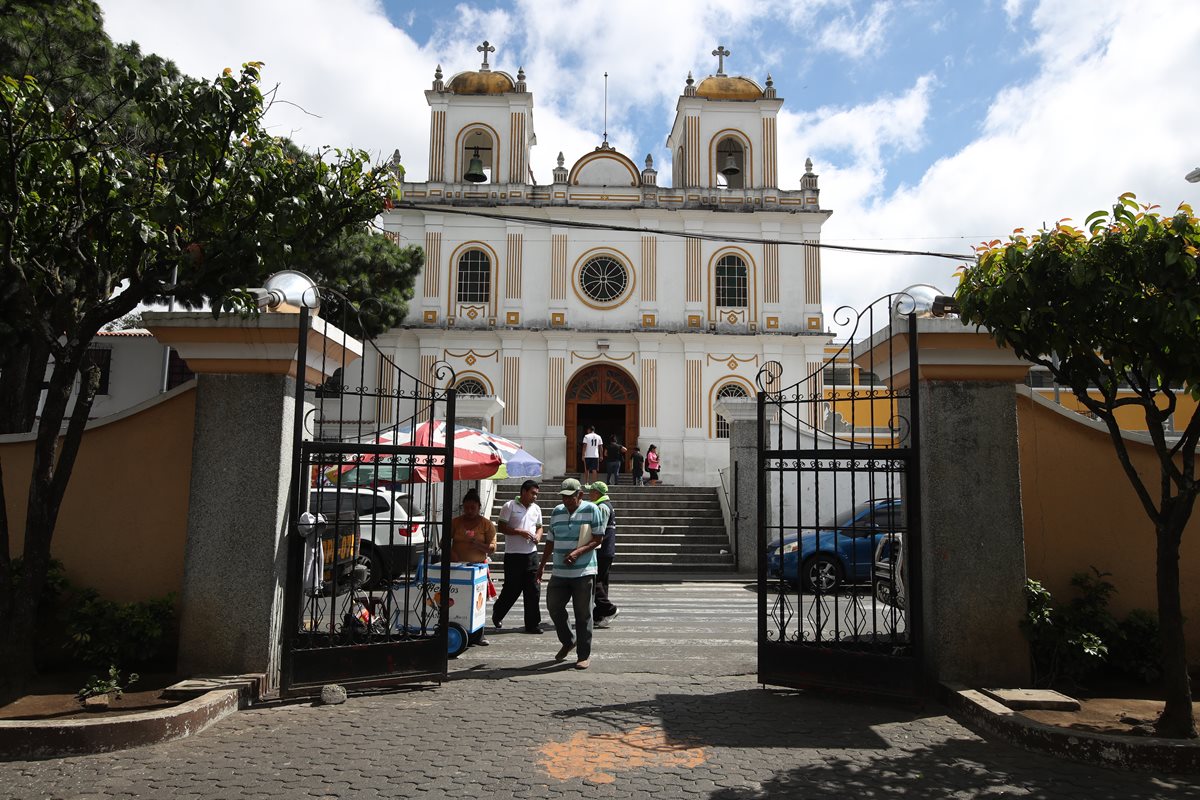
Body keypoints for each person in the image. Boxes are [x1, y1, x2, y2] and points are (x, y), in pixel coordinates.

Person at [537, 478, 603, 670]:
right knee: (553, 606)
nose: (566, 500)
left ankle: (583, 654)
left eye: (570, 497)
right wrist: (542, 566)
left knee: (583, 614)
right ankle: (568, 640)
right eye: (564, 497)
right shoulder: (557, 511)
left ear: (580, 495)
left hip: (584, 570)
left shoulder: (592, 509)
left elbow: (598, 538)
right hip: (559, 571)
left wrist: (577, 552)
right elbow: (550, 540)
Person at [493, 480, 544, 634]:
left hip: (531, 555)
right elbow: (501, 527)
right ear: (523, 491)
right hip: (513, 555)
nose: (535, 497)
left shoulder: (536, 509)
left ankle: (532, 624)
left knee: (533, 589)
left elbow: (540, 527)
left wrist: (538, 536)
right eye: (532, 493)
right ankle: (498, 612)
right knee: (511, 589)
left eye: (536, 494)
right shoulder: (509, 506)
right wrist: (519, 532)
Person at [450, 488, 496, 646]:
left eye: (473, 508)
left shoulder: (486, 524)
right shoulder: (455, 522)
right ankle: (457, 629)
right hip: (457, 568)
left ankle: (479, 634)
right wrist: (452, 553)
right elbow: (444, 542)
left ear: (479, 507)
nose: (469, 511)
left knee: (478, 602)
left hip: (478, 569)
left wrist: (479, 545)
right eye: (467, 508)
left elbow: (492, 548)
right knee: (458, 601)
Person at [586, 481, 619, 627]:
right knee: (602, 583)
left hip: (602, 550)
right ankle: (600, 615)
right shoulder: (604, 505)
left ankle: (609, 609)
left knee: (595, 582)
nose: (589, 494)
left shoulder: (602, 507)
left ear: (597, 493)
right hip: (606, 550)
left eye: (591, 491)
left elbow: (600, 530)